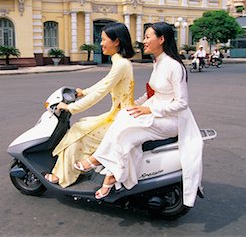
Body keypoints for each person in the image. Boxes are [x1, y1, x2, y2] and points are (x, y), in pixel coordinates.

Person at [74, 22, 203, 208]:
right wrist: (136, 105)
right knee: (124, 122)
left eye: (148, 36)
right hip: (157, 113)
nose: (144, 41)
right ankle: (111, 176)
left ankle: (96, 160)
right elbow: (154, 94)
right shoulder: (158, 62)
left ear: (161, 39)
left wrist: (150, 110)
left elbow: (182, 103)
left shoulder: (174, 66)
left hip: (171, 120)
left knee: (126, 130)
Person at [44, 22, 136, 188]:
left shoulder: (121, 64)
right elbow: (105, 83)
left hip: (119, 119)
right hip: (119, 115)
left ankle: (61, 176)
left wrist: (71, 107)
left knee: (78, 132)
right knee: (81, 125)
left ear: (116, 42)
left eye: (103, 39)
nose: (101, 43)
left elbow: (100, 93)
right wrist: (83, 92)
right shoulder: (121, 63)